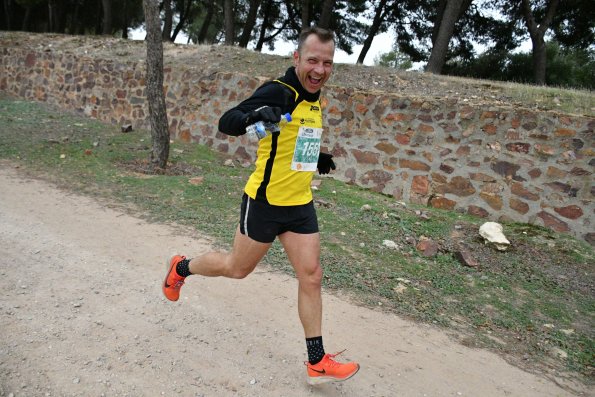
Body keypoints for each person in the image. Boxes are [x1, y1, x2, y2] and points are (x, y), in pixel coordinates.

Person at [162, 26, 359, 385]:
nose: (320, 70)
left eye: (328, 63)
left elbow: (293, 140)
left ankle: (317, 359)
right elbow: (229, 121)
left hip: (299, 204)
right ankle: (182, 267)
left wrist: (317, 158)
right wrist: (255, 116)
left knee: (311, 276)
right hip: (266, 203)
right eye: (313, 60)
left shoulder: (313, 99)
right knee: (236, 269)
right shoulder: (279, 92)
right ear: (297, 58)